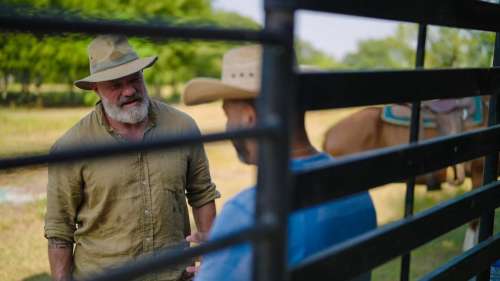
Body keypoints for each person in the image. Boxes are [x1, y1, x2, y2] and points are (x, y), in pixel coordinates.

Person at [182, 45, 377, 281]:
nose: (227, 126)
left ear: (248, 117)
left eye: (228, 114)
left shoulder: (248, 211)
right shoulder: (356, 186)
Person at [44, 35, 219, 281]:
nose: (129, 91)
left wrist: (214, 263)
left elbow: (202, 194)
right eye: (115, 84)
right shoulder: (71, 147)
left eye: (135, 78)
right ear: (96, 88)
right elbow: (59, 231)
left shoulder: (182, 128)